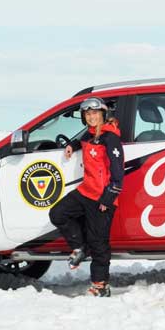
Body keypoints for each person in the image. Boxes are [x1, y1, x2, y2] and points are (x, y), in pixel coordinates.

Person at [48, 97, 124, 297]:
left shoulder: (110, 138)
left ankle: (100, 286)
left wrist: (108, 199)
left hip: (102, 198)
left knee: (98, 242)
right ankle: (79, 248)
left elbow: (118, 174)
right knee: (58, 214)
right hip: (85, 191)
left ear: (103, 114)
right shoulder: (90, 135)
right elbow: (84, 137)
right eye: (87, 114)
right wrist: (72, 144)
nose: (91, 117)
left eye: (95, 114)